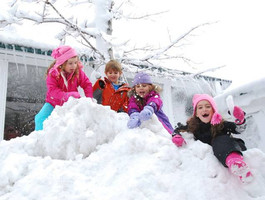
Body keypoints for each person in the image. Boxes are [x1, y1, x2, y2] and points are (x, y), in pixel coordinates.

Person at [173, 93, 253, 183]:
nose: (204, 109)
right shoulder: (193, 126)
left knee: (218, 140)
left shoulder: (221, 123)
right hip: (213, 157)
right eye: (200, 107)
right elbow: (177, 130)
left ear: (213, 110)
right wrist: (176, 136)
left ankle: (237, 164)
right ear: (196, 114)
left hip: (230, 147)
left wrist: (240, 121)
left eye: (208, 106)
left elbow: (238, 129)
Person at [34, 45, 93, 131]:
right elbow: (52, 90)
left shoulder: (78, 72)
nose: (73, 66)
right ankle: (39, 139)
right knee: (40, 118)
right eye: (70, 63)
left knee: (73, 123)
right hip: (53, 103)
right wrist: (66, 95)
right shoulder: (53, 74)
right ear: (62, 63)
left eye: (75, 62)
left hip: (71, 104)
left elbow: (87, 84)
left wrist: (89, 99)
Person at [127, 72, 183, 139]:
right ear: (134, 89)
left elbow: (155, 102)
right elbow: (132, 107)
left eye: (144, 86)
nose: (141, 88)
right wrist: (134, 115)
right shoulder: (134, 98)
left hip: (159, 119)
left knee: (168, 133)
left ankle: (176, 137)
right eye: (138, 86)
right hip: (146, 125)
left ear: (150, 87)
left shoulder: (154, 95)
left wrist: (149, 109)